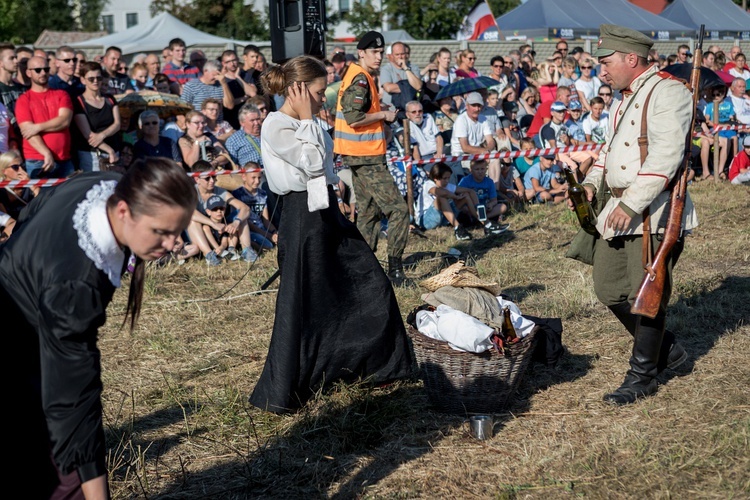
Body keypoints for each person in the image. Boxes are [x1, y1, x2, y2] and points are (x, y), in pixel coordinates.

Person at [2, 158, 196, 499]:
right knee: (61, 474)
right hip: (17, 342)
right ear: (124, 211)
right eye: (161, 232)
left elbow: (36, 210)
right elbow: (76, 397)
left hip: (32, 314)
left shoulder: (102, 184)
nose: (172, 244)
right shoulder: (75, 286)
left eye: (177, 230)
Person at [249, 55, 413, 414]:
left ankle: (371, 364)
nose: (325, 98)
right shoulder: (277, 125)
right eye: (320, 92)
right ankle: (292, 385)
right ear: (299, 90)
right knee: (306, 301)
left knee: (368, 281)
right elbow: (308, 163)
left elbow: (322, 168)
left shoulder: (309, 123)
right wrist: (308, 120)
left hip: (323, 210)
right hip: (300, 218)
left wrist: (334, 193)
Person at [574, 24, 697, 406]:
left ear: (631, 58)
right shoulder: (623, 98)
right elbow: (609, 151)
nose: (603, 71)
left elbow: (666, 156)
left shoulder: (669, 91)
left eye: (607, 62)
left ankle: (643, 375)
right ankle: (669, 350)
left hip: (652, 210)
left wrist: (631, 205)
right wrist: (593, 182)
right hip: (619, 203)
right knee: (609, 289)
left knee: (649, 296)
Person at [332, 31, 412, 286]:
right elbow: (355, 118)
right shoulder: (361, 79)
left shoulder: (358, 74)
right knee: (399, 211)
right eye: (374, 52)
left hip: (359, 156)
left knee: (368, 213)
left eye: (381, 52)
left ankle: (362, 269)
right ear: (362, 53)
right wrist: (384, 117)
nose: (379, 57)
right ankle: (396, 270)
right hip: (366, 157)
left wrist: (381, 111)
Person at [186, 159, 257, 265]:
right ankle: (209, 255)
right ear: (197, 179)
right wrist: (213, 224)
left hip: (220, 233)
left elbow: (245, 208)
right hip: (201, 233)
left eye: (214, 176)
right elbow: (189, 213)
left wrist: (236, 222)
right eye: (207, 178)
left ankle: (247, 251)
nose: (212, 181)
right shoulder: (191, 192)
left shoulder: (220, 191)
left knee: (241, 217)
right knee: (192, 221)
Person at [15, 55, 75, 179]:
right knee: (41, 198)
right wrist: (46, 153)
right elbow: (28, 132)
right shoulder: (23, 100)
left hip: (64, 159)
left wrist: (37, 127)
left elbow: (64, 121)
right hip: (38, 160)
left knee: (71, 198)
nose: (43, 73)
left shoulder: (62, 94)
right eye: (38, 70)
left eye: (46, 69)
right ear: (28, 73)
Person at [73, 61, 122, 170]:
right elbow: (88, 134)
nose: (95, 81)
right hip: (92, 155)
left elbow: (117, 124)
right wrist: (109, 150)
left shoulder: (109, 99)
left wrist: (102, 135)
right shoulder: (79, 102)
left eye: (98, 78)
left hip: (114, 153)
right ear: (82, 80)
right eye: (91, 79)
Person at [414, 161, 475, 240]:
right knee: (441, 197)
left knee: (465, 195)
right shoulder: (428, 184)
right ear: (436, 178)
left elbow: (470, 191)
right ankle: (458, 229)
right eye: (444, 178)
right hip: (426, 220)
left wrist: (476, 205)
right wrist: (455, 197)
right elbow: (441, 192)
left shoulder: (447, 185)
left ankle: (482, 221)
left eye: (448, 178)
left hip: (442, 218)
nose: (447, 181)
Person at [230, 164, 278, 250]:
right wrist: (267, 235)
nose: (257, 181)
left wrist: (274, 232)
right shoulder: (238, 194)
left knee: (273, 242)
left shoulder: (262, 194)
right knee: (268, 245)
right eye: (253, 178)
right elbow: (245, 221)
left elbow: (265, 219)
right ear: (244, 177)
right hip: (247, 230)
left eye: (259, 178)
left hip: (261, 230)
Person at [458, 158, 509, 234]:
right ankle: (483, 220)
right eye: (477, 169)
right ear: (471, 170)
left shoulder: (489, 182)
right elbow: (459, 196)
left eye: (482, 169)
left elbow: (494, 199)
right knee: (464, 209)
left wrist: (490, 205)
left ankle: (478, 219)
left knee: (503, 207)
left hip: (485, 208)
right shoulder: (465, 181)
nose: (480, 172)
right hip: (471, 209)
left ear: (486, 169)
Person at [201, 194, 240, 260]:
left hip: (223, 248)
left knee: (231, 227)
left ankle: (231, 249)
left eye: (221, 208)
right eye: (215, 209)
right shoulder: (207, 225)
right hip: (211, 248)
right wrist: (218, 248)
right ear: (208, 212)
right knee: (205, 228)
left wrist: (221, 248)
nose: (219, 211)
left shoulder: (225, 223)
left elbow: (224, 242)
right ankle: (217, 252)